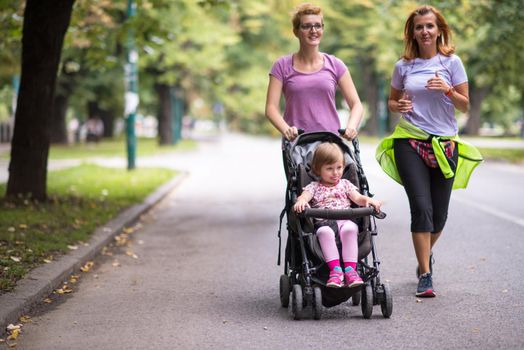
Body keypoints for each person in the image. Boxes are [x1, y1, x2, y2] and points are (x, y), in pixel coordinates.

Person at [375, 5, 482, 297]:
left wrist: (447, 90)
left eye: (429, 26)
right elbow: (392, 102)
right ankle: (425, 273)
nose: (424, 31)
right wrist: (400, 107)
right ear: (412, 32)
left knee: (439, 215)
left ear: (439, 30)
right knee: (421, 208)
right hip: (409, 141)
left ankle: (424, 255)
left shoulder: (452, 62)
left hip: (445, 144)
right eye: (419, 27)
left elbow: (464, 105)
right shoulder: (403, 66)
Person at [265, 3, 363, 142]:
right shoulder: (281, 66)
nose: (313, 30)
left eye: (318, 25)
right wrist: (286, 129)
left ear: (322, 29)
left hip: (330, 144)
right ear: (296, 31)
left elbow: (356, 104)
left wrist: (351, 127)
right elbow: (271, 108)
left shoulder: (335, 65)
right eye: (306, 26)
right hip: (296, 144)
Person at [294, 142, 382, 288]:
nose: (335, 173)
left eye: (339, 168)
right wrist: (301, 202)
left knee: (350, 229)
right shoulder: (313, 187)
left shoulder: (346, 184)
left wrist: (368, 200)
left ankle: (350, 270)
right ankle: (336, 271)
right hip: (324, 222)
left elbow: (358, 198)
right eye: (329, 169)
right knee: (324, 232)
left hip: (344, 220)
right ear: (317, 169)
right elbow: (303, 197)